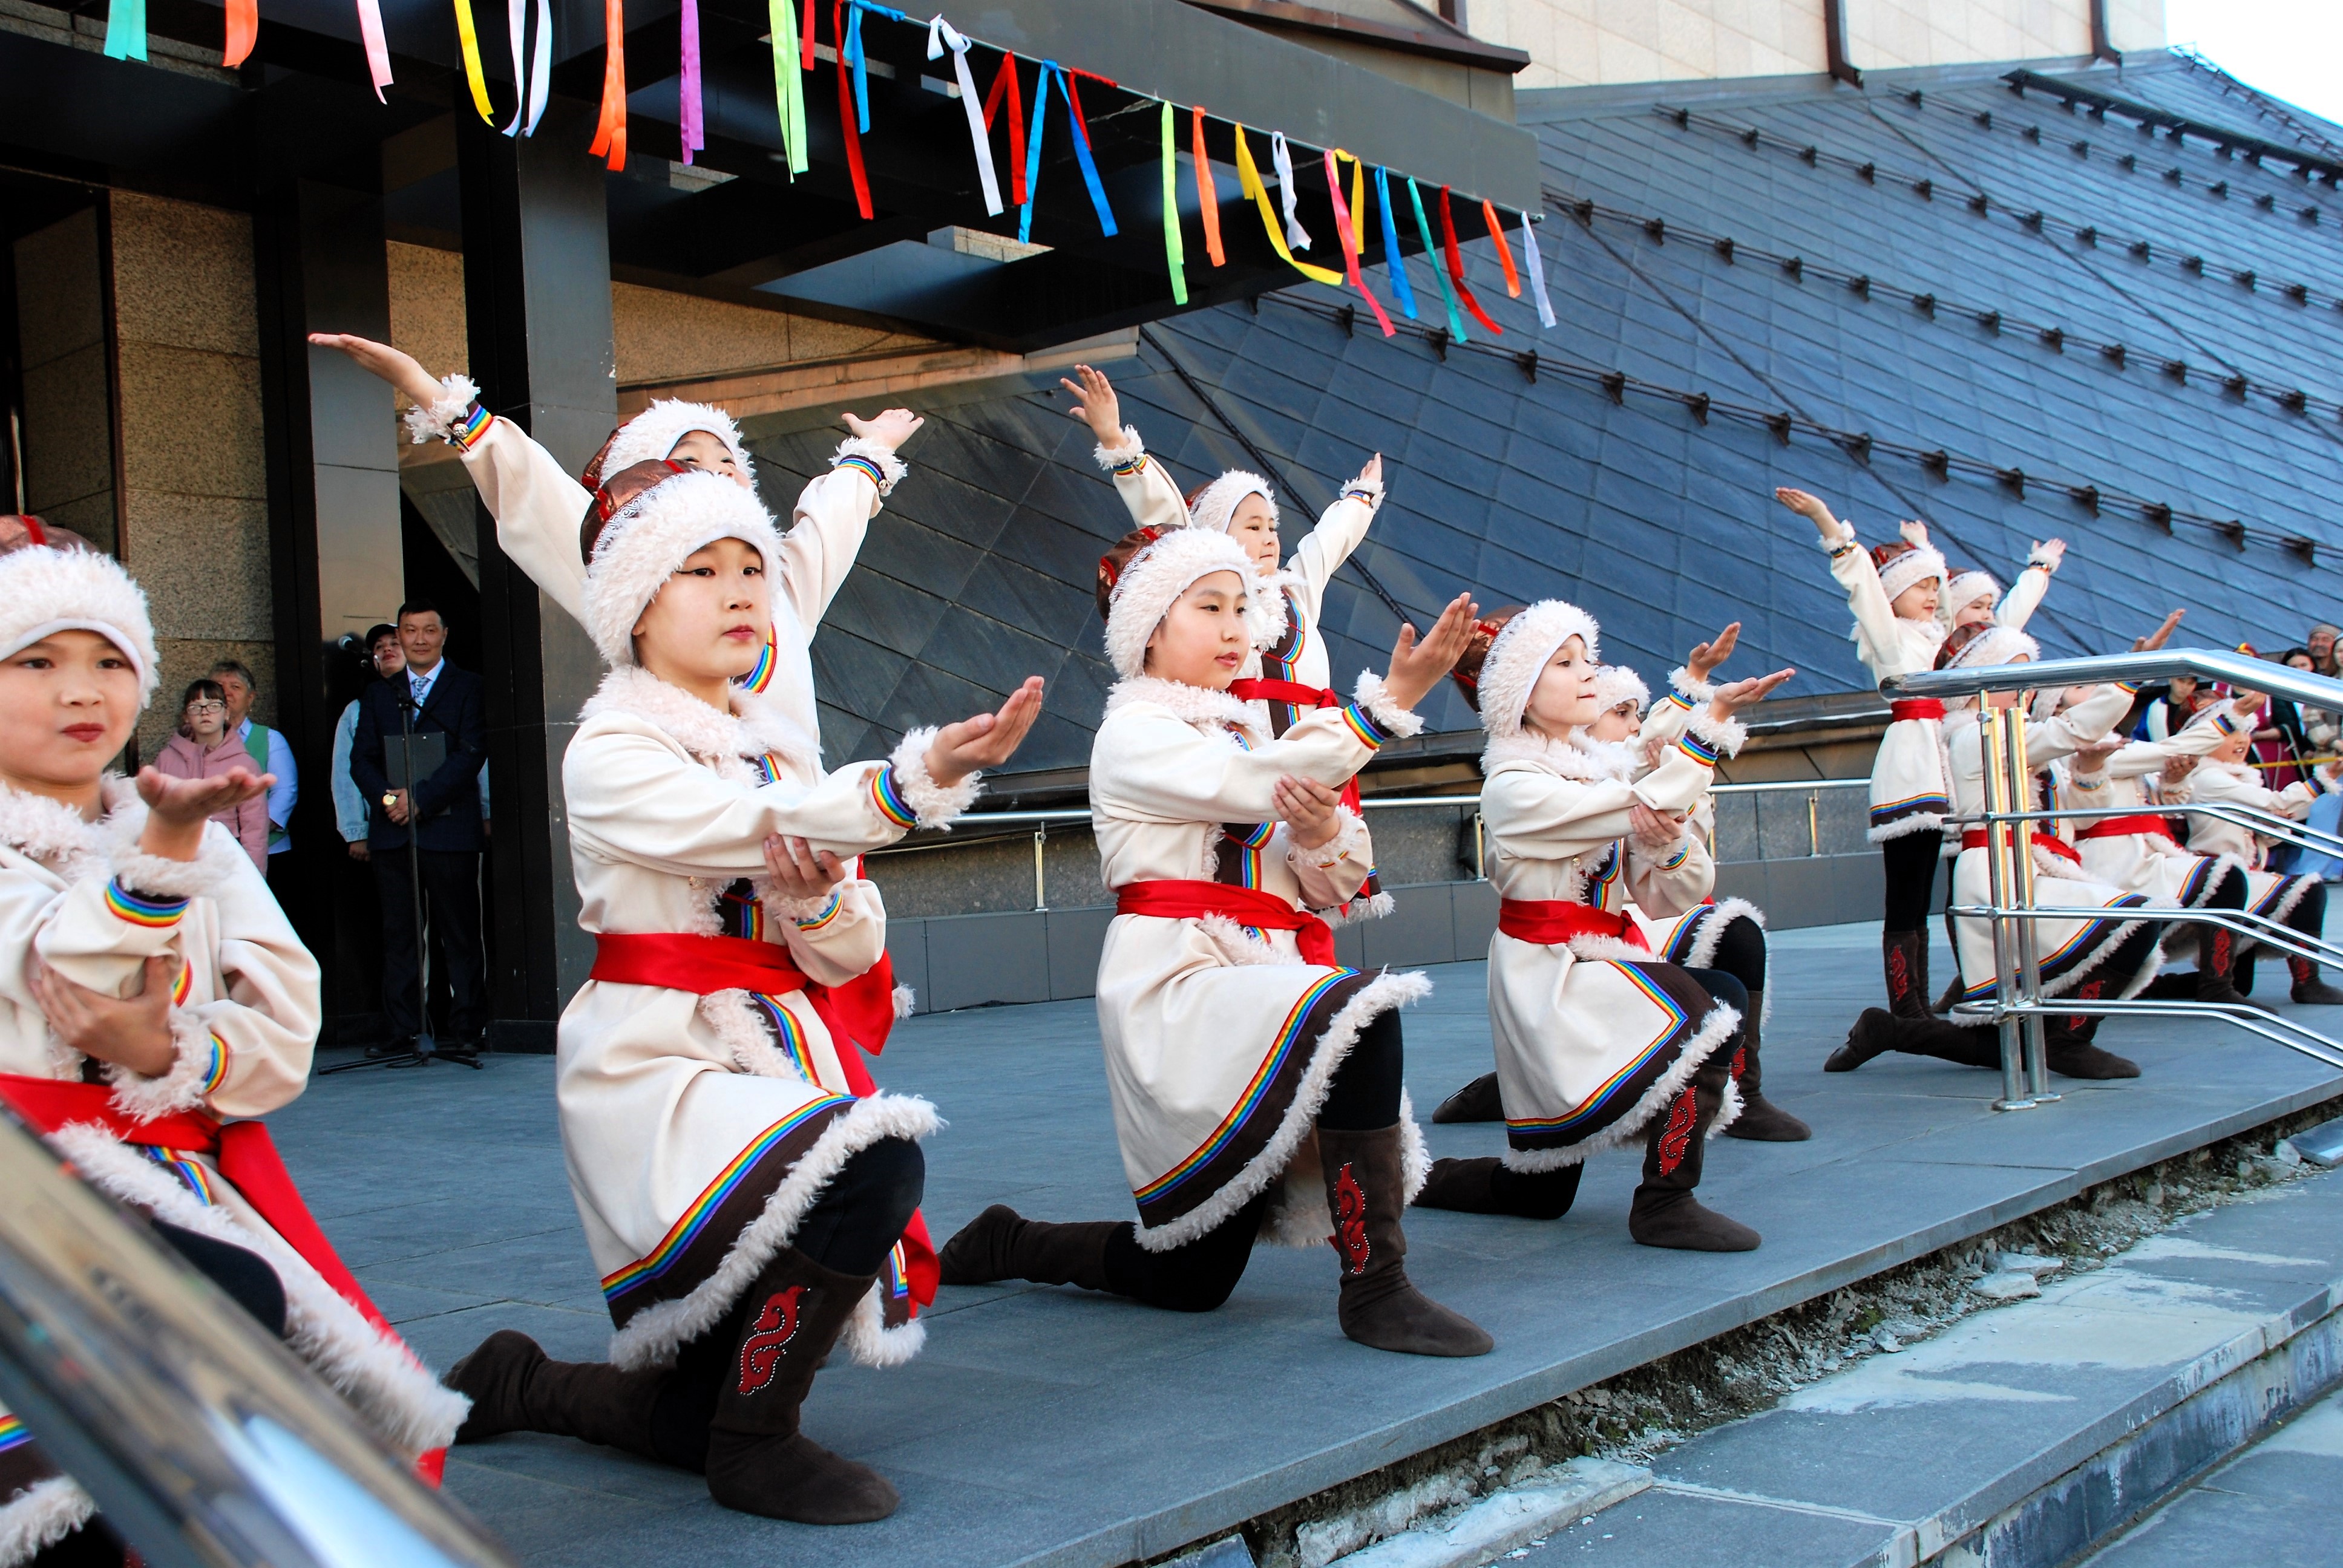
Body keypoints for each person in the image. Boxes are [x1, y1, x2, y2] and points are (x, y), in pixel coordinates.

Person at [317, 331, 1054, 1524]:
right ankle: (755, 1441)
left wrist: (824, 889)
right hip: (661, 1051)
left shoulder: (770, 640)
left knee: (685, 1394)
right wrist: (457, 417)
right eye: (694, 551)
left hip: (776, 991)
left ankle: (541, 1383)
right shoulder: (613, 743)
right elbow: (558, 517)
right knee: (867, 1161)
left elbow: (837, 922)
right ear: (628, 574)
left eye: (742, 556)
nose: (736, 580)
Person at [0, 532, 464, 1565]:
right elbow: (63, 975)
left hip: (173, 1167)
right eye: (37, 660)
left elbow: (286, 1017)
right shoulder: (171, 840)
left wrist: (175, 1045)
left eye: (110, 661)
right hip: (20, 1178)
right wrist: (157, 871)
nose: (82, 690)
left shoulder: (192, 834)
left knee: (254, 1343)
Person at [939, 529, 1494, 1352]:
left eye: (1244, 607)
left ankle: (1010, 1239)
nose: (1237, 628)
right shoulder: (1132, 735)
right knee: (1360, 1013)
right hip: (1181, 981)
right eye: (1210, 607)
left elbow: (1335, 883)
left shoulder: (1246, 738)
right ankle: (1377, 1288)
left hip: (1252, 975)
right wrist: (1385, 705)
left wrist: (1317, 837)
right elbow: (1248, 791)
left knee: (1188, 1281)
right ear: (1147, 629)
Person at [1408, 605, 1789, 1249]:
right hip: (1547, 976)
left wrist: (1666, 845)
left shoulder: (1596, 772)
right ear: (1516, 695)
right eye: (1563, 663)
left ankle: (1666, 1198)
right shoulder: (1512, 783)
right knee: (1539, 1189)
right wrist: (1709, 725)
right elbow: (1639, 802)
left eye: (1587, 659)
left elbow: (1673, 892)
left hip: (1595, 961)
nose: (1588, 675)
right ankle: (1417, 1177)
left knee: (1540, 1188)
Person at [1066, 364, 1396, 915]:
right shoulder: (1196, 586)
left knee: (1312, 859)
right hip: (1250, 753)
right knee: (1241, 854)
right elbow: (1164, 513)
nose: (1268, 538)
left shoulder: (1295, 591)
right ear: (1213, 537)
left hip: (1316, 748)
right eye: (1252, 525)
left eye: (1273, 527)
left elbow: (1327, 544)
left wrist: (1360, 499)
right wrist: (1119, 444)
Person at [1830, 622, 2168, 1080]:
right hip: (1997, 875)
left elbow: (2082, 811)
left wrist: (2089, 771)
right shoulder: (1977, 735)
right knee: (2133, 922)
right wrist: (2127, 679)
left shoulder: (2014, 733)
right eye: (2012, 678)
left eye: (2026, 679)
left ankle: (1891, 1031)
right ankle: (2068, 1042)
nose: (2024, 691)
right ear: (1976, 683)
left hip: (2027, 868)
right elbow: (2069, 731)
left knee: (2009, 1041)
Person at [1776, 488, 1950, 1022]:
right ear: (1893, 592)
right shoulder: (1890, 637)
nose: (1932, 594)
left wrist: (1927, 554)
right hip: (1909, 771)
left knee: (1922, 892)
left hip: (1935, 770)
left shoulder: (1930, 636)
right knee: (1906, 891)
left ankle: (1916, 1002)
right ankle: (1907, 1005)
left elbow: (1974, 614)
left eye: (1934, 586)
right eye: (1919, 585)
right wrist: (1828, 523)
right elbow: (1861, 586)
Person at [348, 600, 490, 1057]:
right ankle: (402, 1029)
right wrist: (392, 801)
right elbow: (361, 760)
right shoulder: (379, 694)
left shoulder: (469, 688)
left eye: (430, 630)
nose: (420, 639)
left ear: (445, 634)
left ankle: (466, 1027)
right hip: (394, 833)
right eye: (411, 631)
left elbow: (471, 753)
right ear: (401, 636)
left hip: (449, 830)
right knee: (401, 936)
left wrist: (422, 799)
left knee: (460, 933)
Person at [2171, 711, 2343, 1004]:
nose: (2241, 741)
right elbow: (2276, 803)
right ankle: (2307, 983)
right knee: (2306, 890)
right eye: (2230, 734)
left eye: (2245, 733)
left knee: (2240, 983)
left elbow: (2272, 829)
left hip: (2244, 875)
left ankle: (2152, 989)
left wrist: (2274, 820)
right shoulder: (2209, 777)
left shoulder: (2236, 776)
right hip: (2218, 877)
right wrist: (2327, 778)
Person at [335, 624, 490, 863]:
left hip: (449, 831)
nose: (387, 649)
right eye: (379, 646)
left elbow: (473, 758)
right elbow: (350, 769)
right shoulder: (358, 708)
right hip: (391, 830)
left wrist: (486, 812)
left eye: (394, 643)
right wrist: (379, 811)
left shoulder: (456, 692)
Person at [155, 678, 269, 869]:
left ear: (226, 713)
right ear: (186, 716)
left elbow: (254, 830)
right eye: (196, 707)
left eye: (213, 705)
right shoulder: (166, 759)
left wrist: (253, 879)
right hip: (176, 862)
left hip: (226, 863)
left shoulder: (245, 764)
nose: (205, 712)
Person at [208, 658, 298, 881]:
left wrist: (252, 833)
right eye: (218, 687)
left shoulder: (270, 739)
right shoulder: (194, 743)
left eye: (235, 687)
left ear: (250, 698)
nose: (226, 693)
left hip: (268, 851)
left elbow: (286, 792)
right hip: (210, 855)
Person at [1939, 540, 2063, 631]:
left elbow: (2019, 607)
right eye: (1977, 607)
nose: (1987, 616)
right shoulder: (1933, 646)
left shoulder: (1990, 640)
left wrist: (2040, 566)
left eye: (1989, 608)